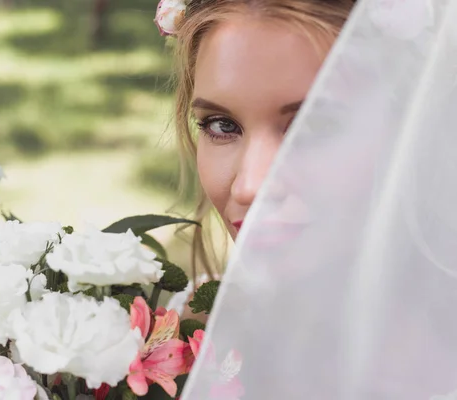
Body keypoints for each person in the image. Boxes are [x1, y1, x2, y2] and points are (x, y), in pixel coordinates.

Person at [158, 0, 457, 398]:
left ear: (414, 127)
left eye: (311, 124)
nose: (250, 186)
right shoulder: (178, 338)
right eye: (222, 125)